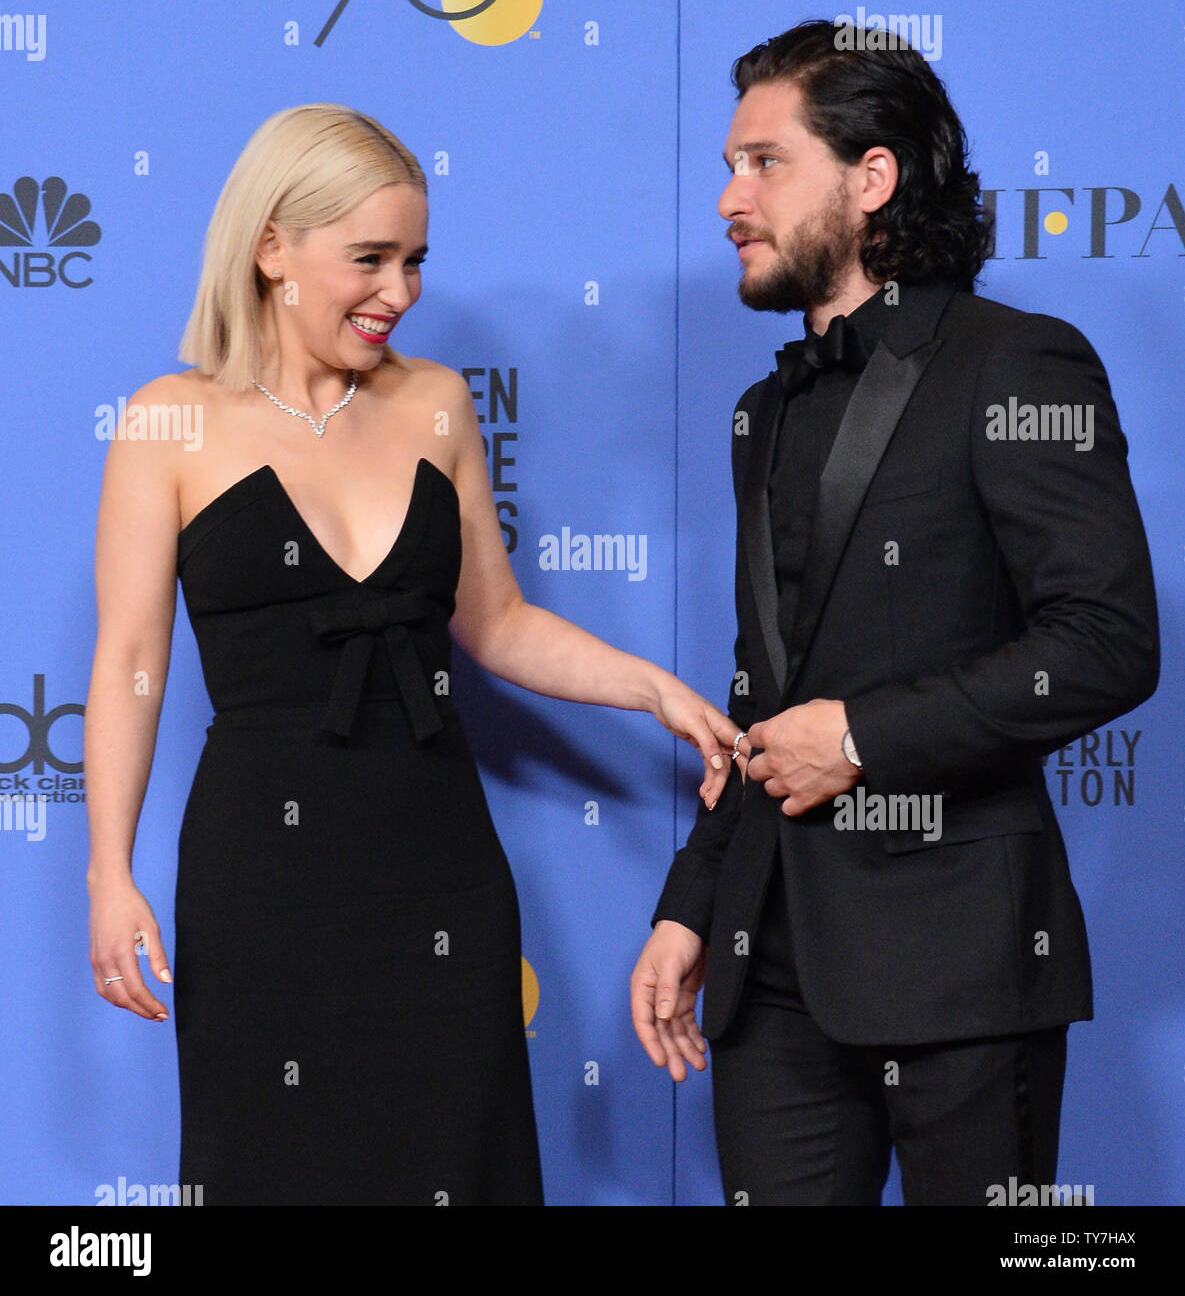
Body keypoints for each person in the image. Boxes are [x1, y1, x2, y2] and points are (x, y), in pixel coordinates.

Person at [84, 102, 738, 1206]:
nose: (401, 291)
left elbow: (494, 622)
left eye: (416, 260)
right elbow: (129, 661)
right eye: (370, 259)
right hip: (264, 871)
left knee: (458, 1159)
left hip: (437, 857)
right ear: (272, 248)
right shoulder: (168, 421)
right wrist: (110, 874)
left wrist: (653, 689)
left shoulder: (435, 403)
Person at [630, 20, 1159, 1206]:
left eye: (764, 162)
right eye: (728, 165)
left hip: (963, 963)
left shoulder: (1017, 364)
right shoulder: (765, 410)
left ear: (873, 179)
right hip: (770, 971)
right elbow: (763, 692)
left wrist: (864, 740)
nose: (728, 197)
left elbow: (1107, 641)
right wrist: (691, 908)